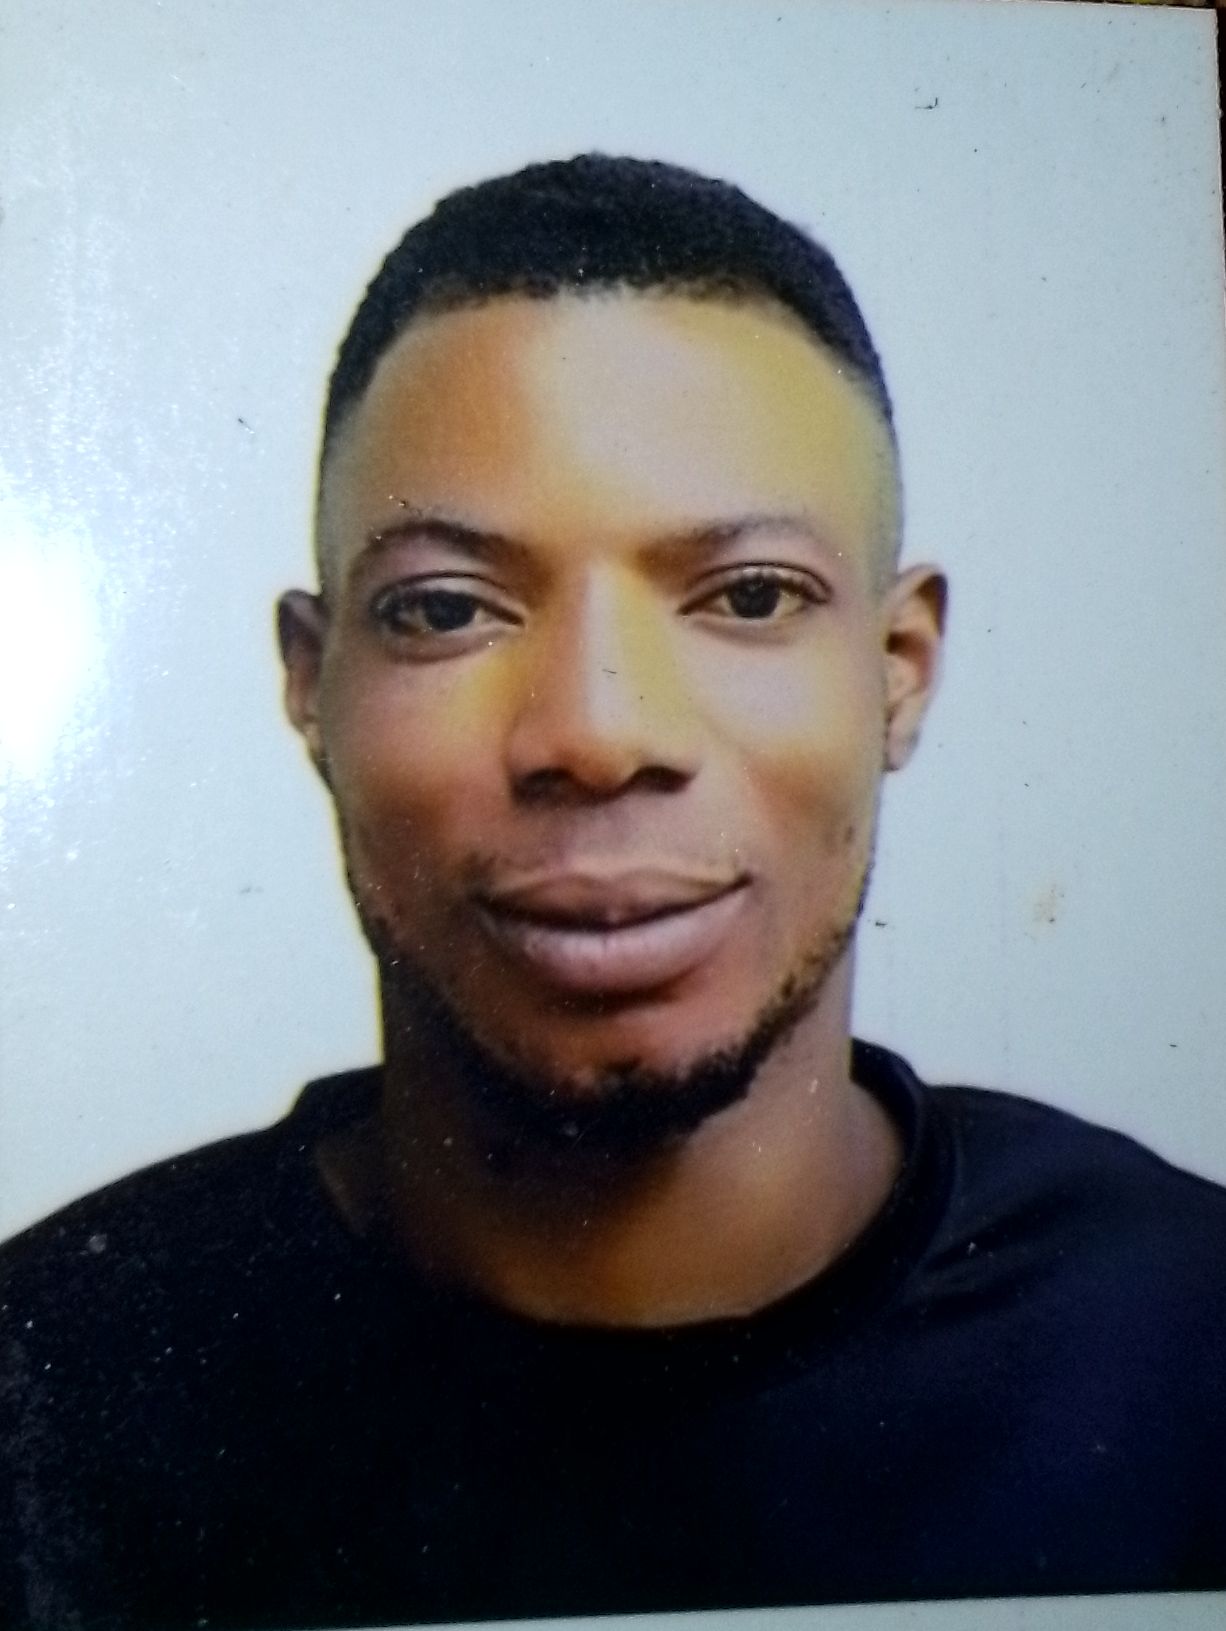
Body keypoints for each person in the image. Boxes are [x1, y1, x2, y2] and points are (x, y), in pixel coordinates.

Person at [1, 154, 1223, 1630]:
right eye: (447, 609)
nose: (596, 731)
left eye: (749, 597)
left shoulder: (1184, 1336)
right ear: (312, 687)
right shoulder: (45, 1388)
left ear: (897, 673)